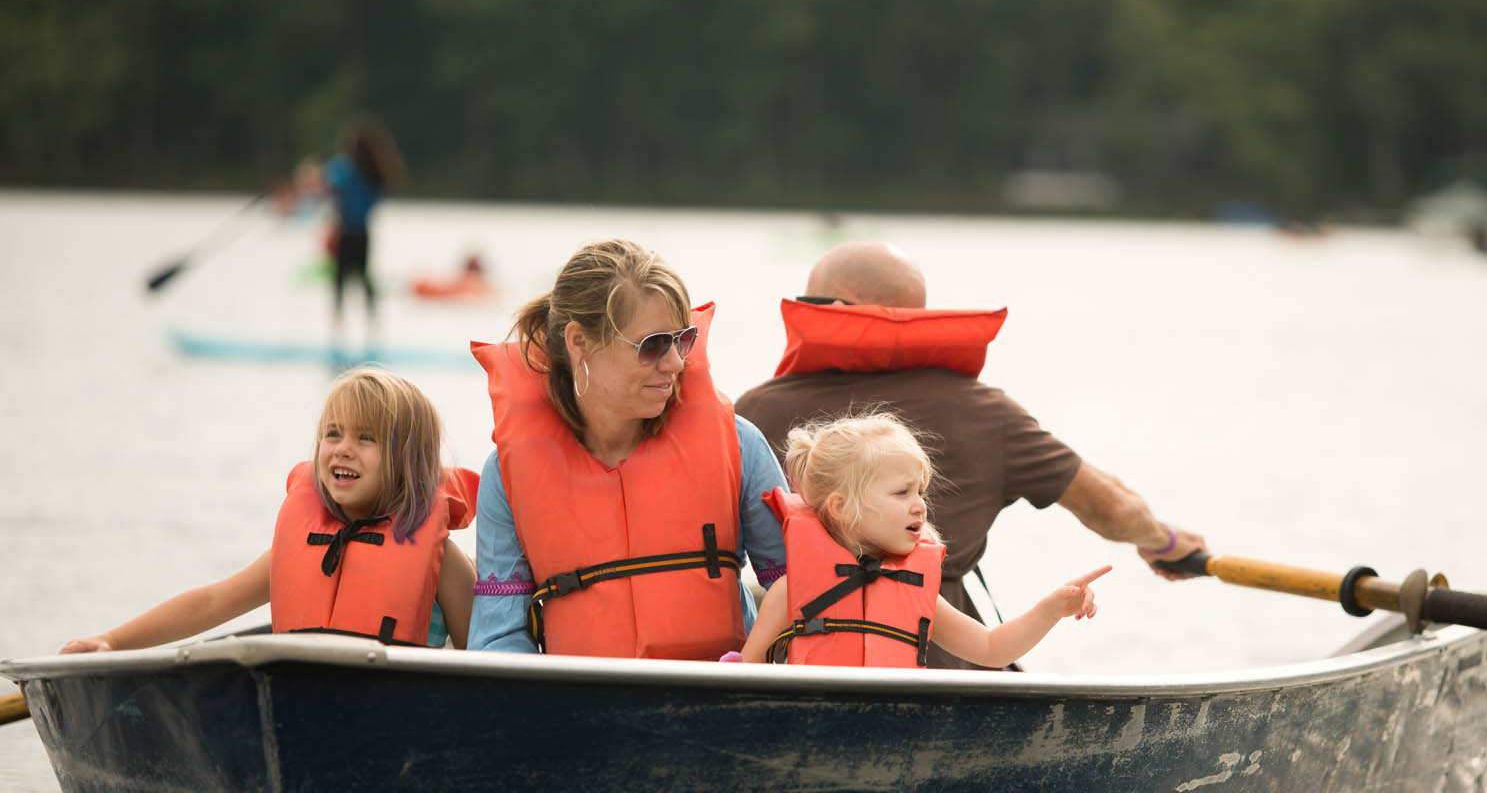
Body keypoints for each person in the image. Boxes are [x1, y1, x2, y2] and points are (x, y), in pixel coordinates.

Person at [734, 239, 1208, 668]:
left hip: (822, 658)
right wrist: (1163, 541)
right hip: (950, 671)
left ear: (833, 308)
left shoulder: (752, 414)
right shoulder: (987, 412)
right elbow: (1113, 507)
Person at [468, 238, 787, 658]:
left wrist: (749, 672)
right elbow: (498, 637)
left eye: (683, 340)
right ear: (579, 342)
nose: (675, 363)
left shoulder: (739, 443)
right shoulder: (507, 475)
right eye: (653, 345)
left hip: (720, 702)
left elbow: (800, 588)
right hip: (584, 708)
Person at [60, 368, 478, 653]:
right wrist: (112, 642)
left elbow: (477, 655)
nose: (342, 448)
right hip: (305, 709)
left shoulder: (442, 561)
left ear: (406, 461)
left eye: (365, 438)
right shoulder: (303, 543)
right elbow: (209, 603)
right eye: (333, 434)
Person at [740, 413, 1108, 668]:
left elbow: (991, 648)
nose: (920, 506)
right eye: (902, 493)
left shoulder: (916, 592)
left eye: (921, 491)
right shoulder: (790, 593)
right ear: (840, 507)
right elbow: (746, 677)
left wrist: (1050, 610)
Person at [300, 114, 404, 341]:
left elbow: (324, 186)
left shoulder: (344, 168)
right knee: (364, 280)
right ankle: (374, 332)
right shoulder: (376, 172)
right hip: (363, 233)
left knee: (339, 283)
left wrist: (307, 176)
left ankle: (337, 333)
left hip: (345, 233)